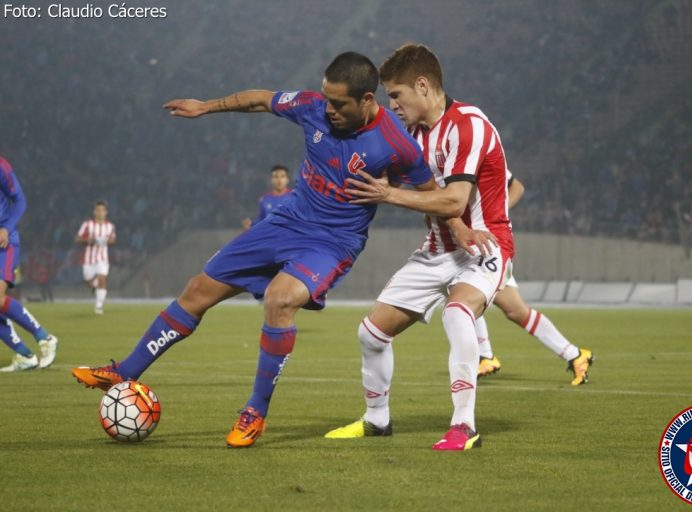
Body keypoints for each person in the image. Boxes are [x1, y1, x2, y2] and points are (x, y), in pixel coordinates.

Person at [71, 52, 434, 448]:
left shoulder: (398, 145)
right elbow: (261, 98)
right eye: (327, 99)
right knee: (197, 290)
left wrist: (396, 197)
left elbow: (432, 195)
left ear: (367, 100)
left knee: (279, 301)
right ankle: (125, 371)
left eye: (339, 103)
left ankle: (254, 413)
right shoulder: (312, 107)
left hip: (331, 241)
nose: (328, 109)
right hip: (285, 222)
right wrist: (206, 107)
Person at [326, 44, 513, 451]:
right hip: (436, 249)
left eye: (396, 94)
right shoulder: (412, 135)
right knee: (371, 333)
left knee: (458, 312)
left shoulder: (468, 125)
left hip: (484, 245)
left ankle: (464, 426)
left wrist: (388, 194)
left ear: (423, 86)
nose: (392, 103)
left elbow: (453, 200)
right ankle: (377, 421)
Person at [474, 177, 594, 385]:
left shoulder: (482, 151)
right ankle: (574, 354)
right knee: (515, 311)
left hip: (488, 244)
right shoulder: (449, 153)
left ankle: (485, 356)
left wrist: (497, 211)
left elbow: (517, 187)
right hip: (473, 243)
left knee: (464, 297)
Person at [0, 156, 58, 372]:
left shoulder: (1, 166)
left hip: (4, 240)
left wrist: (6, 228)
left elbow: (20, 200)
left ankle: (45, 338)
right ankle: (24, 355)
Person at [76, 200, 116, 314]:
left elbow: (113, 239)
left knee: (102, 279)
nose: (100, 212)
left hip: (102, 259)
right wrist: (88, 240)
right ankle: (95, 287)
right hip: (89, 259)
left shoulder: (110, 226)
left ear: (106, 212)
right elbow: (78, 238)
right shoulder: (88, 224)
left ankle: (99, 306)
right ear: (94, 212)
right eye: (98, 210)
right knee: (89, 282)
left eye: (102, 210)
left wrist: (108, 240)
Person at [241, 165, 293, 230]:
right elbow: (262, 220)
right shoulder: (265, 199)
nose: (279, 180)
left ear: (287, 180)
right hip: (271, 237)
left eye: (282, 176)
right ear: (271, 180)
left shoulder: (294, 198)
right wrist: (251, 223)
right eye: (276, 177)